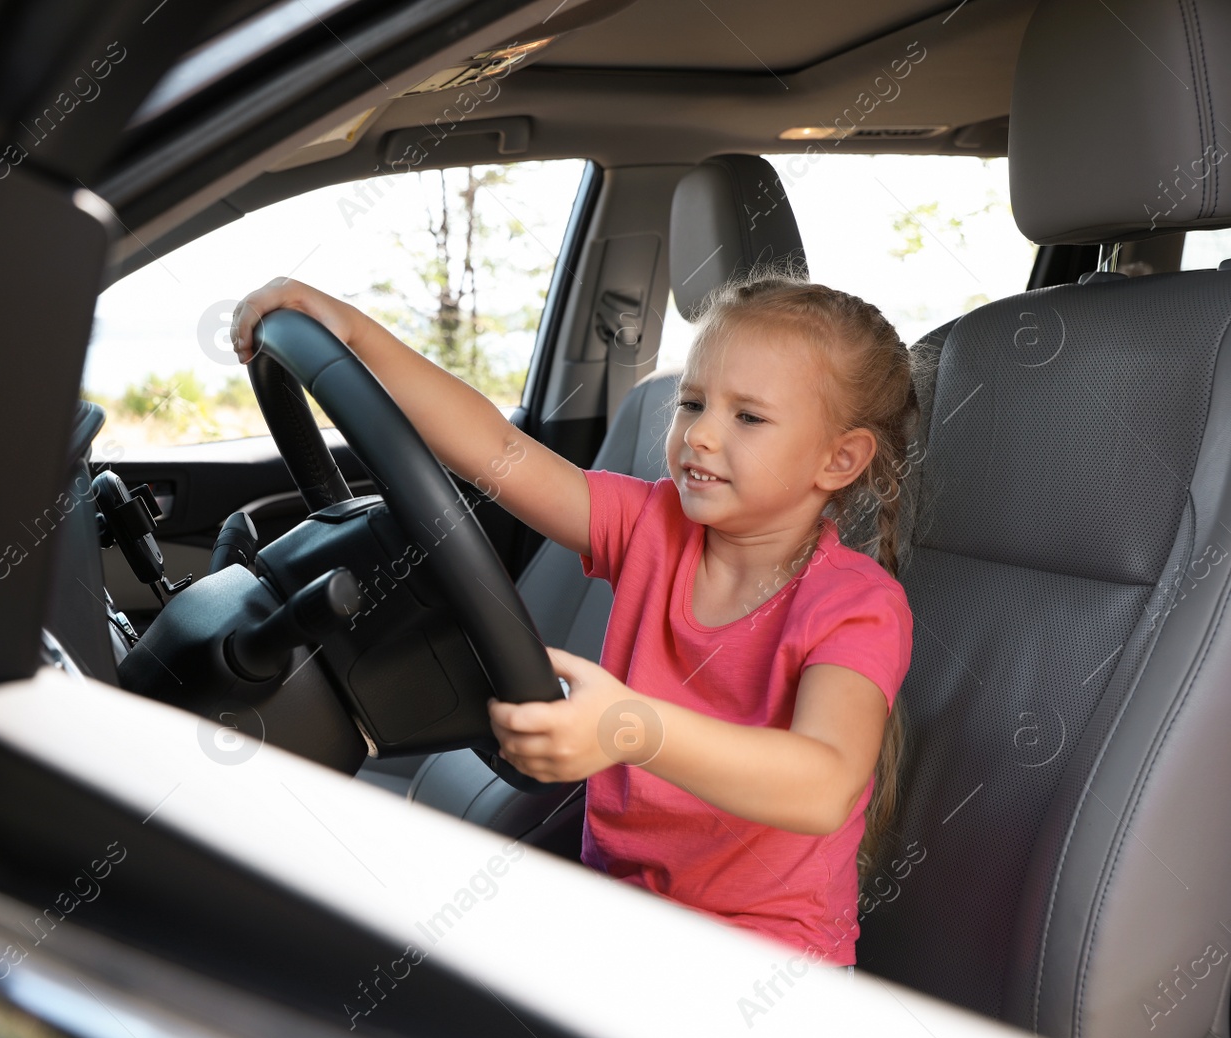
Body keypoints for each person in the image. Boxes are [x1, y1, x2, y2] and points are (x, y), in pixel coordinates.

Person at [231, 270, 917, 969]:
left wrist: (630, 728)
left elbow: (824, 782)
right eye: (692, 402)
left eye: (748, 417)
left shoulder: (855, 603)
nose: (699, 435)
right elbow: (498, 451)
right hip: (615, 916)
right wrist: (353, 331)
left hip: (764, 961)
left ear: (840, 458)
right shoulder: (652, 525)